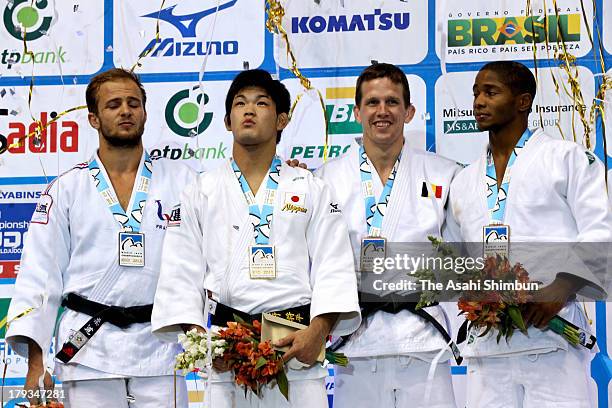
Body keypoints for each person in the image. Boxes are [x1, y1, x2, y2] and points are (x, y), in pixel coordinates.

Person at [151, 69, 361, 408]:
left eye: (261, 103)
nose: (249, 110)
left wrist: (318, 332)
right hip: (224, 348)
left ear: (281, 120)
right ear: (226, 120)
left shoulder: (311, 188)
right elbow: (180, 273)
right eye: (240, 103)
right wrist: (202, 344)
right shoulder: (200, 191)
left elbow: (333, 266)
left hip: (294, 343)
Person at [6, 68, 195, 407]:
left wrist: (286, 175)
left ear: (145, 113)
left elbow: (228, 219)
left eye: (133, 103)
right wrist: (36, 364)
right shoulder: (66, 189)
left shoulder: (184, 182)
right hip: (87, 351)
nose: (126, 110)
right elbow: (40, 277)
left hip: (161, 352)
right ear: (93, 118)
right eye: (114, 105)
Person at [447, 61, 611, 407]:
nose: (478, 101)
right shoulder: (463, 181)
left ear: (523, 101)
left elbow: (600, 229)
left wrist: (563, 286)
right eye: (476, 93)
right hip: (488, 347)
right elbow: (455, 257)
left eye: (490, 92)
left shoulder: (565, 158)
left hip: (552, 337)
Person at [316, 63, 460, 407]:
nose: (383, 111)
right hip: (355, 345)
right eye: (373, 102)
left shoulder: (444, 173)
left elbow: (462, 259)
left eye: (393, 102)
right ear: (357, 112)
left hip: (423, 342)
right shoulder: (324, 180)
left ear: (409, 112)